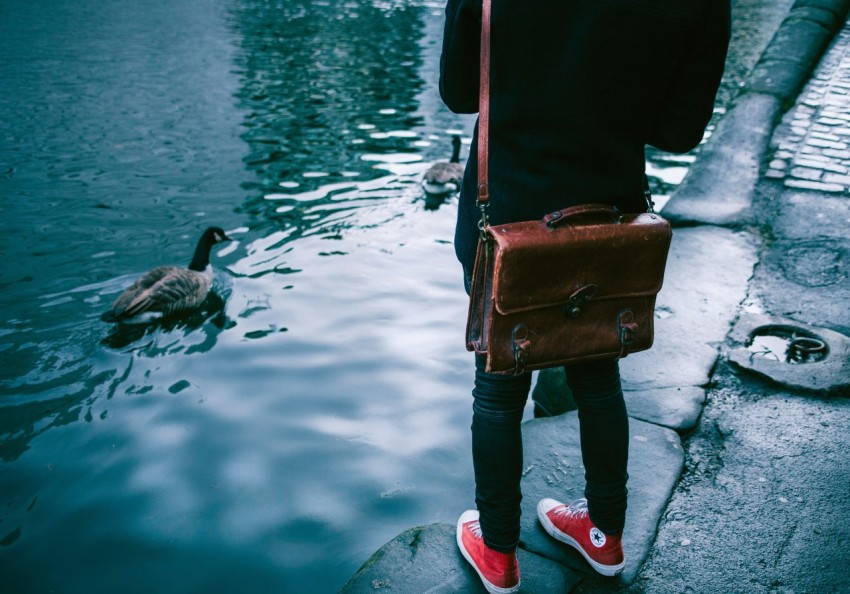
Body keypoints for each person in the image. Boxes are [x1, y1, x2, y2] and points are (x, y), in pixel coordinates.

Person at [439, 0, 731, 591]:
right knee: (598, 373)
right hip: (608, 211)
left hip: (508, 211)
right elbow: (678, 132)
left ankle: (497, 552)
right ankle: (604, 534)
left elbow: (461, 92)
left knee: (498, 386)